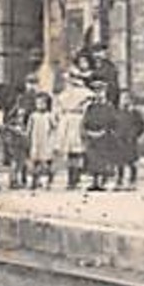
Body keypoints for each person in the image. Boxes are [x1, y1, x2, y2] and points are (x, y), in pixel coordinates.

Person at [54, 56, 93, 189]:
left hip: (78, 120)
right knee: (71, 151)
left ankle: (76, 177)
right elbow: (58, 108)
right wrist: (60, 118)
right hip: (68, 121)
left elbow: (88, 108)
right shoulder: (65, 94)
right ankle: (71, 178)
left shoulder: (85, 93)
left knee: (77, 150)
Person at [82, 77, 120, 192]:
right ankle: (94, 181)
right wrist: (89, 132)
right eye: (95, 91)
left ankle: (103, 181)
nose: (98, 94)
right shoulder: (90, 107)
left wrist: (105, 131)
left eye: (100, 91)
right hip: (92, 136)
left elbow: (113, 121)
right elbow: (86, 121)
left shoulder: (109, 107)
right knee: (93, 159)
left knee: (103, 158)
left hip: (104, 136)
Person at [27, 91, 60, 189]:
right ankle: (34, 180)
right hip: (36, 141)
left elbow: (54, 127)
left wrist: (53, 141)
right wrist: (28, 137)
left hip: (46, 140)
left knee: (47, 161)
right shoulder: (33, 116)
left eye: (43, 103)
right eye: (38, 103)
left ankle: (48, 180)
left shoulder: (49, 116)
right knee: (35, 161)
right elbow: (29, 128)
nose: (40, 105)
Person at [3, 88, 32, 189]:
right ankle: (13, 180)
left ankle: (22, 179)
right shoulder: (12, 118)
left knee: (23, 161)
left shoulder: (27, 117)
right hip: (15, 141)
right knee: (15, 161)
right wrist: (15, 130)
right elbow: (7, 127)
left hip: (23, 141)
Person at [116, 101, 144, 189]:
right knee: (120, 162)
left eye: (127, 101)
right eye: (123, 101)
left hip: (131, 141)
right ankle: (119, 181)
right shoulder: (118, 113)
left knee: (132, 162)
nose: (125, 104)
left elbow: (142, 126)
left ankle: (132, 181)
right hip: (120, 141)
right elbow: (113, 125)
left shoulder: (135, 114)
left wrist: (135, 135)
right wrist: (116, 135)